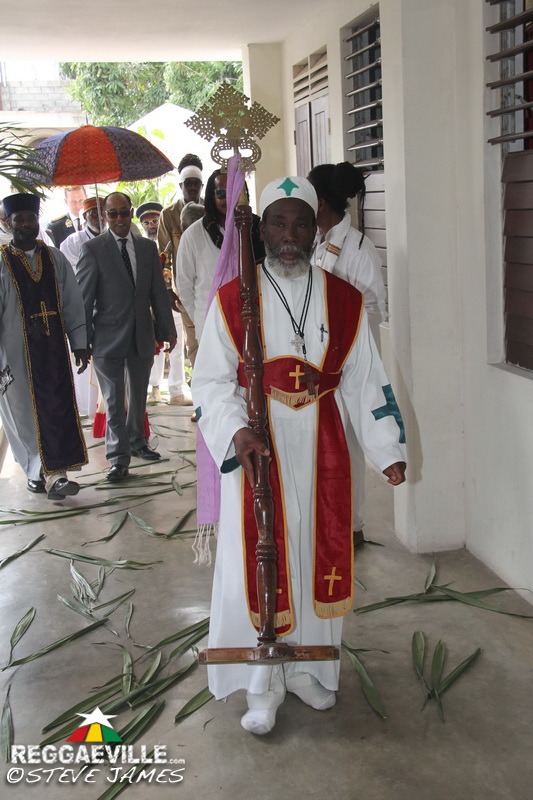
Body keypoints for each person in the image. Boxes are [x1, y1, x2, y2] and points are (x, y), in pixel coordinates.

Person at [192, 176, 406, 735]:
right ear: (262, 230)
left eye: (302, 224)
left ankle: (315, 672)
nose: (290, 236)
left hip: (322, 446)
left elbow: (366, 381)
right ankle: (261, 684)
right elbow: (211, 382)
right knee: (260, 557)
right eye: (279, 224)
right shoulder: (233, 299)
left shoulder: (344, 299)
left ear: (317, 229)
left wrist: (387, 451)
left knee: (316, 553)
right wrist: (236, 432)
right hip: (260, 450)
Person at [308, 162, 388, 549]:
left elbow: (373, 308)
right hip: (316, 361)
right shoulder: (317, 242)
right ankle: (327, 518)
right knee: (323, 444)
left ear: (320, 201)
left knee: (348, 444)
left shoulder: (358, 247)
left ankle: (352, 526)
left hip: (347, 364)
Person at [76, 192, 177, 481]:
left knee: (139, 397)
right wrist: (82, 342)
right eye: (112, 214)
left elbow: (158, 291)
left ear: (131, 213)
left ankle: (138, 443)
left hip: (142, 335)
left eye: (123, 213)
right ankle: (118, 459)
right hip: (107, 338)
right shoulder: (93, 249)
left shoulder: (147, 248)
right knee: (113, 400)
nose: (119, 219)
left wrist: (167, 329)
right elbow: (84, 299)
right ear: (105, 216)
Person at [0, 193, 89, 499]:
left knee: (57, 408)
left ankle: (56, 474)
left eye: (29, 218)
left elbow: (73, 302)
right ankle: (38, 472)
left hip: (53, 353)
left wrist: (80, 343)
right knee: (23, 416)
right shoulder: (1, 262)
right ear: (8, 223)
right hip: (13, 356)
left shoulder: (54, 258)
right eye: (19, 220)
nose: (25, 224)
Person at [138, 201, 192, 408]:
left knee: (176, 347)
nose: (151, 225)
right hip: (150, 304)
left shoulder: (169, 242)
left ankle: (176, 391)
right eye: (146, 223)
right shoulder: (142, 247)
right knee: (156, 347)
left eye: (154, 221)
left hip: (175, 299)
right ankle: (154, 389)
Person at [158, 154, 204, 366]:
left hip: (210, 282)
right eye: (188, 184)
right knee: (193, 341)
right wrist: (168, 289)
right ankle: (200, 388)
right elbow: (163, 256)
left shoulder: (211, 210)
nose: (192, 188)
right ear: (181, 185)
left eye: (196, 184)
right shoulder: (168, 215)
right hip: (184, 288)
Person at [60, 196, 106, 268]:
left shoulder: (114, 237)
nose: (100, 217)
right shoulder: (71, 242)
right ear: (85, 216)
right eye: (94, 213)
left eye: (103, 213)